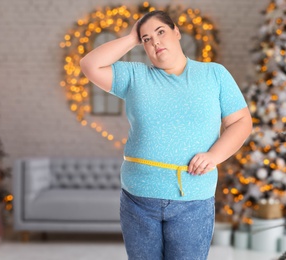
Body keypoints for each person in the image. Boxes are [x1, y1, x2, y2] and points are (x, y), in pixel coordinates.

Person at [80, 10, 252, 260]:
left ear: (177, 32)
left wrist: (214, 156)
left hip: (193, 200)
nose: (155, 42)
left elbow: (240, 121)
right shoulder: (135, 76)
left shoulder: (214, 74)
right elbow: (89, 65)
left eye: (160, 32)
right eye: (147, 39)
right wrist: (131, 37)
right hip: (138, 200)